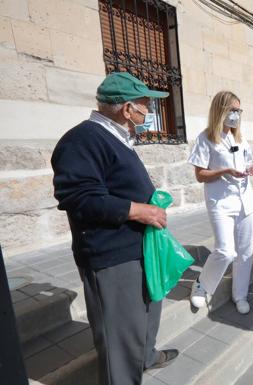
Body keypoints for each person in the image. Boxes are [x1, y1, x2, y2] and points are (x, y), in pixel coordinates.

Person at [51, 72, 179, 385]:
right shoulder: (82, 139)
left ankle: (146, 357)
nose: (149, 112)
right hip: (112, 256)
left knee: (145, 317)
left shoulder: (116, 135)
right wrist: (139, 211)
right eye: (145, 105)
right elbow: (78, 196)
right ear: (126, 109)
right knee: (120, 340)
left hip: (139, 249)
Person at [187, 91, 253, 314]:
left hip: (246, 201)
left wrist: (250, 169)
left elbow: (248, 162)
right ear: (220, 110)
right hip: (221, 202)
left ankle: (240, 295)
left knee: (245, 252)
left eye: (239, 111)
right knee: (226, 251)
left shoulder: (240, 138)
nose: (236, 115)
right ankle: (201, 286)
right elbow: (200, 175)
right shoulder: (206, 138)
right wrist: (225, 171)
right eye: (233, 110)